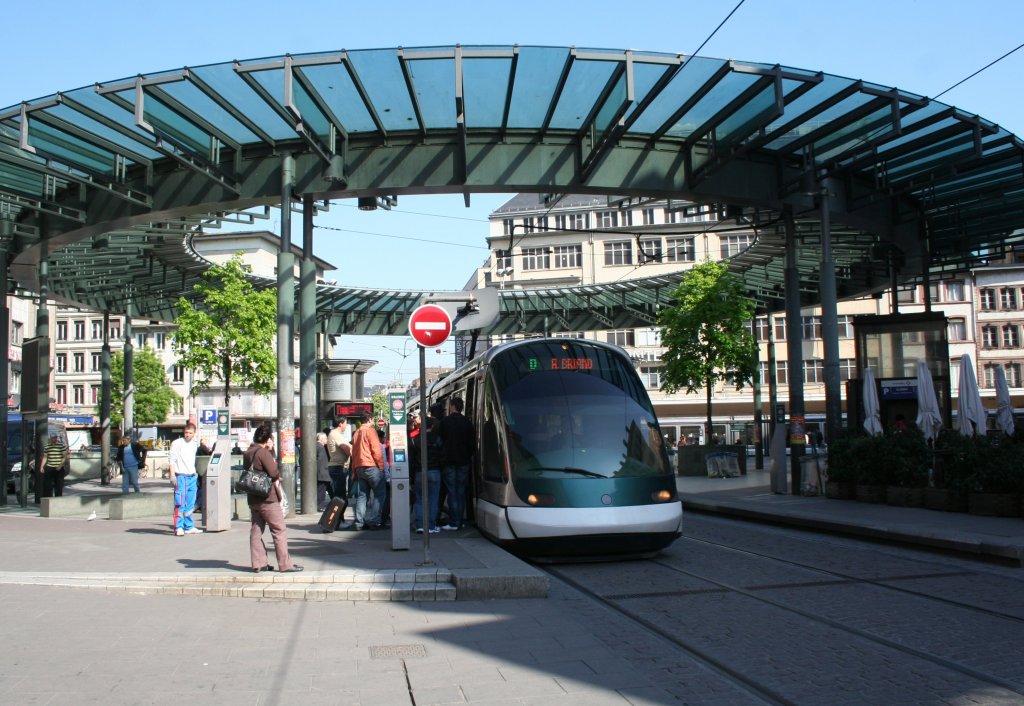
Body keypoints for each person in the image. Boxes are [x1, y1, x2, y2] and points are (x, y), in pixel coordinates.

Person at [244, 424, 302, 573]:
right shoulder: (263, 453)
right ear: (267, 439)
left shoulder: (247, 453)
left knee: (256, 530)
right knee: (279, 530)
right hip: (267, 498)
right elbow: (274, 472)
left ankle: (259, 563)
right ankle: (285, 564)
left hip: (253, 498)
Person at [439, 397, 474, 531]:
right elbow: (471, 444)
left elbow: (440, 442)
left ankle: (454, 522)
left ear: (452, 406)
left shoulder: (445, 422)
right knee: (460, 491)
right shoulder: (467, 422)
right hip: (464, 461)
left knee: (452, 491)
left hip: (449, 462)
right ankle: (460, 520)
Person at [349, 410, 386, 530]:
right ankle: (375, 521)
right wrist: (381, 467)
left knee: (362, 495)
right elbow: (376, 450)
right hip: (371, 466)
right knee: (379, 494)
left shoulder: (356, 433)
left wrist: (354, 470)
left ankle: (359, 522)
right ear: (370, 419)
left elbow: (353, 453)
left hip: (359, 467)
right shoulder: (371, 431)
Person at [411, 416, 443, 534]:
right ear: (432, 426)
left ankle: (420, 525)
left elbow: (412, 458)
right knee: (433, 499)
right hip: (434, 471)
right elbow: (442, 455)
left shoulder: (415, 440)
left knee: (419, 499)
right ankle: (431, 526)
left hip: (419, 472)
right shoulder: (437, 438)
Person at [169, 422, 202, 536]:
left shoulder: (194, 444)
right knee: (180, 502)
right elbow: (172, 460)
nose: (188, 435)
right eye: (186, 432)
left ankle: (189, 526)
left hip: (192, 476)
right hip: (181, 476)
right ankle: (178, 527)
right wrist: (172, 475)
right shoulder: (177, 443)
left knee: (190, 503)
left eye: (190, 433)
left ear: (194, 433)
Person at [326, 417, 351, 501]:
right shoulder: (335, 434)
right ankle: (337, 514)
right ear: (340, 423)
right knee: (340, 498)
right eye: (345, 423)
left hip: (338, 467)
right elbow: (346, 449)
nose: (346, 426)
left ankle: (339, 513)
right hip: (338, 467)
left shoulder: (336, 434)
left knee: (340, 497)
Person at [42, 433, 68, 498]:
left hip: (59, 467)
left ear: (56, 438)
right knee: (48, 484)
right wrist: (41, 466)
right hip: (49, 467)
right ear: (50, 438)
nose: (54, 439)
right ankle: (48, 498)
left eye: (55, 437)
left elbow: (64, 457)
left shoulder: (61, 446)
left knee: (59, 484)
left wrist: (60, 465)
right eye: (52, 438)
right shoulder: (47, 447)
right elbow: (45, 457)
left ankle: (58, 498)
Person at [315, 432, 332, 512]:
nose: (327, 440)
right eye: (325, 438)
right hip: (322, 473)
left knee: (320, 489)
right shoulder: (321, 447)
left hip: (320, 473)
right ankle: (320, 506)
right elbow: (321, 461)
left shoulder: (317, 446)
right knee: (321, 490)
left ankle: (319, 505)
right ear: (321, 439)